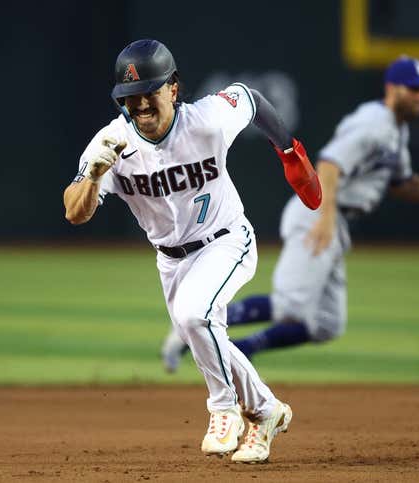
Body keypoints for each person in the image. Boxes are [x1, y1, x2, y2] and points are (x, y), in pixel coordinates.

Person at [63, 39, 321, 464]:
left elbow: (253, 99)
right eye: (130, 96)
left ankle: (224, 410)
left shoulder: (208, 119)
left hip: (226, 239)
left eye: (150, 90)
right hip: (171, 260)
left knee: (193, 316)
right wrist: (92, 176)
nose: (140, 103)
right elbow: (76, 212)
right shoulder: (110, 143)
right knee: (203, 331)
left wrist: (290, 150)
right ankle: (265, 412)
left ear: (173, 89)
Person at [160, 55, 419, 367]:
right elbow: (330, 164)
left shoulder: (395, 130)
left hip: (335, 219)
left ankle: (237, 346)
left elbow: (402, 182)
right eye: (414, 89)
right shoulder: (373, 124)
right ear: (393, 88)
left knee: (325, 324)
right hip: (319, 213)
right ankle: (200, 323)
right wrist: (325, 217)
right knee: (292, 305)